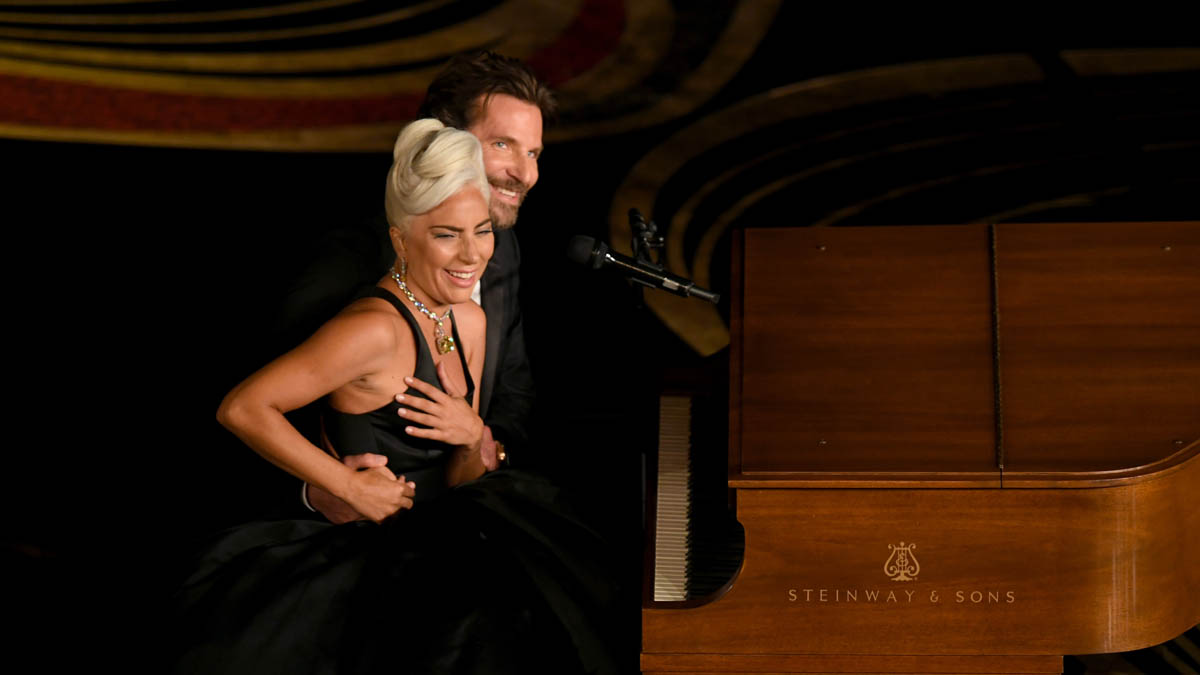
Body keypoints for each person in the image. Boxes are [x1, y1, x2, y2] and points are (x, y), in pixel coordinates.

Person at [170, 120, 617, 674]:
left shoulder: (471, 320)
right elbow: (242, 408)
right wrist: (348, 486)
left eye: (482, 231)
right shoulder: (372, 330)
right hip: (369, 557)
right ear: (402, 240)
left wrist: (470, 438)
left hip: (447, 536)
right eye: (447, 235)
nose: (472, 254)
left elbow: (462, 481)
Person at [270, 51, 552, 526]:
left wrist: (484, 445)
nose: (525, 174)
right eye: (503, 144)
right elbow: (255, 398)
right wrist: (320, 490)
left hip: (452, 512)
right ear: (443, 138)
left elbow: (512, 397)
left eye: (533, 153)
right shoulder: (346, 262)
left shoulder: (502, 247)